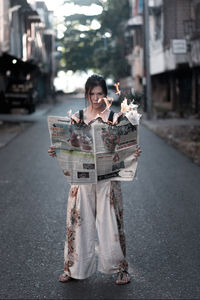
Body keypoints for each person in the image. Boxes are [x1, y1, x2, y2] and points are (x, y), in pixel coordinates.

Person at [48, 74, 141, 285]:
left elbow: (125, 149)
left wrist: (133, 152)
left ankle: (120, 268)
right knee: (78, 223)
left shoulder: (116, 119)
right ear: (87, 94)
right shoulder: (77, 118)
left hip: (108, 180)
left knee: (111, 224)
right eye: (92, 94)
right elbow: (68, 149)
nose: (96, 98)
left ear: (106, 95)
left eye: (100, 94)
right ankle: (72, 269)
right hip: (82, 181)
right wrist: (58, 151)